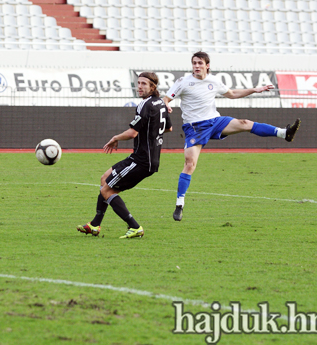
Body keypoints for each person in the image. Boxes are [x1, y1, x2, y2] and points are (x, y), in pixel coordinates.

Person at [162, 51, 301, 222]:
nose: (196, 66)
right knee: (190, 164)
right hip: (195, 127)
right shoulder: (183, 82)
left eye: (200, 63)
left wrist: (254, 90)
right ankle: (179, 204)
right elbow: (166, 98)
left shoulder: (213, 81)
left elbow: (232, 94)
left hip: (215, 121)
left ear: (207, 65)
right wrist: (167, 105)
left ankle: (284, 133)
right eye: (194, 63)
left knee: (244, 123)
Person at [77, 72, 172, 239]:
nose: (140, 86)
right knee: (104, 178)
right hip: (142, 157)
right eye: (139, 83)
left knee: (107, 190)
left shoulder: (146, 105)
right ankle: (94, 225)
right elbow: (168, 128)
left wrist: (115, 138)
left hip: (142, 160)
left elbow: (132, 133)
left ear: (152, 87)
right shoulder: (161, 103)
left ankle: (135, 227)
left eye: (144, 83)